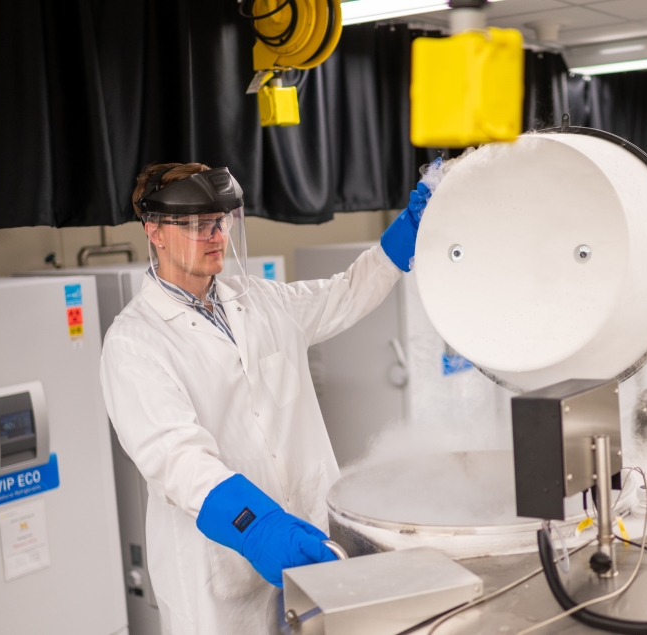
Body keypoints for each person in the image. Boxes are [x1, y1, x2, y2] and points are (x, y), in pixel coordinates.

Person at [100, 161, 433, 635]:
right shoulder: (135, 343)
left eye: (221, 221)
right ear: (154, 231)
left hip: (309, 540)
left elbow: (347, 294)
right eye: (197, 225)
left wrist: (411, 229)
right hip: (222, 571)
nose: (216, 235)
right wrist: (257, 527)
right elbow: (177, 460)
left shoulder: (259, 301)